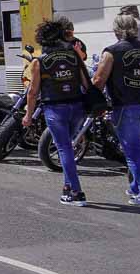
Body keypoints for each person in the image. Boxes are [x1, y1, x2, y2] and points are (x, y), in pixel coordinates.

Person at [23, 16, 93, 206]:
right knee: (68, 146)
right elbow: (86, 83)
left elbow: (33, 92)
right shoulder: (73, 56)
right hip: (77, 107)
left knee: (64, 148)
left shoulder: (39, 62)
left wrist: (28, 115)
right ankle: (67, 188)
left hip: (55, 109)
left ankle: (77, 193)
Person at [93, 13, 140, 206]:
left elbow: (99, 80)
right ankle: (135, 187)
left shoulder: (111, 52)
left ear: (116, 30)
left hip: (126, 107)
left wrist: (92, 100)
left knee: (133, 153)